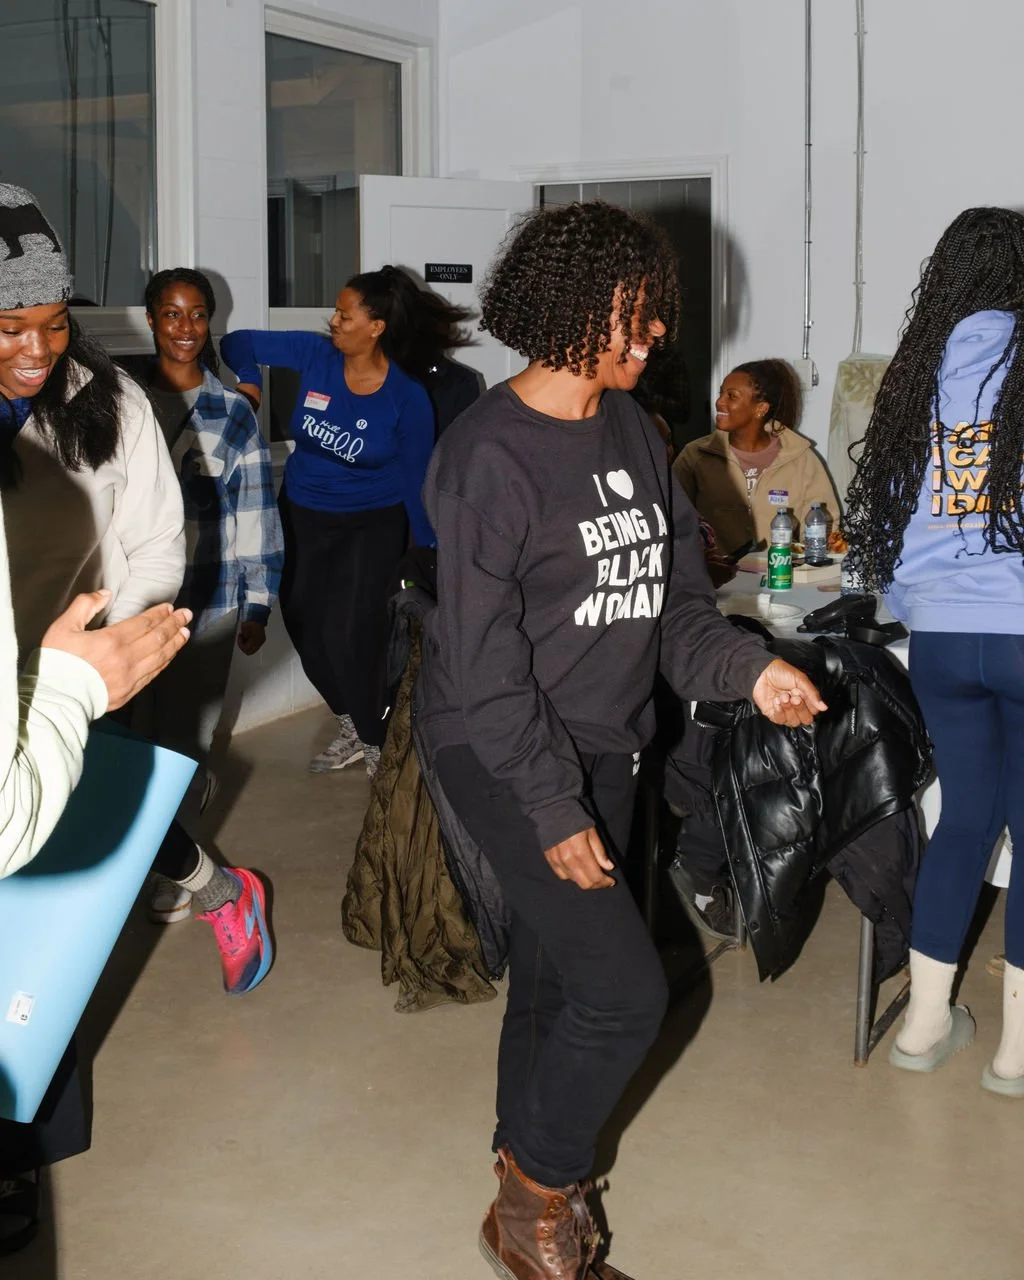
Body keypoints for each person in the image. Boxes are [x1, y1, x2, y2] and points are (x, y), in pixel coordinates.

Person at [415, 200, 826, 1279]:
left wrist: (754, 668)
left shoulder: (636, 433)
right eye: (630, 320)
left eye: (655, 319)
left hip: (609, 739)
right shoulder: (487, 456)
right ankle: (539, 1200)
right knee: (624, 990)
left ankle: (521, 1173)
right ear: (560, 310)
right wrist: (551, 806)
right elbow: (486, 662)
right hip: (502, 748)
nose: (651, 340)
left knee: (558, 975)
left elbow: (676, 611)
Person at [0, 183, 192, 1255]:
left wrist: (108, 652)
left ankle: (28, 1147)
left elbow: (159, 538)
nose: (36, 349)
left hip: (81, 690)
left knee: (47, 933)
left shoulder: (107, 400)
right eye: (10, 327)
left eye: (52, 321)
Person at [844, 206, 1024, 1095]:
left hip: (945, 636)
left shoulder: (920, 374)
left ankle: (921, 1025)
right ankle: (1016, 1056)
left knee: (962, 823)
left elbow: (895, 515)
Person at [220, 266, 473, 776]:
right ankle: (353, 722)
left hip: (369, 524)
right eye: (336, 311)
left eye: (344, 313)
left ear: (376, 326)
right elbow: (235, 343)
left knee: (352, 634)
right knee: (305, 626)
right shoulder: (316, 355)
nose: (333, 320)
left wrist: (429, 553)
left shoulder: (406, 398)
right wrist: (249, 384)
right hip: (303, 514)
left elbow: (413, 480)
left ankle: (377, 737)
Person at [135, 267, 281, 993]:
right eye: (170, 314)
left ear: (210, 321)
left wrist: (257, 603)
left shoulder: (232, 410)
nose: (185, 328)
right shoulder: (123, 405)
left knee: (182, 744)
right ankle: (176, 833)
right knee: (138, 742)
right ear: (152, 320)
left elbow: (254, 509)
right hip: (137, 607)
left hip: (212, 603)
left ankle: (180, 860)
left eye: (197, 315)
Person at [673, 357, 840, 551]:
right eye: (721, 394)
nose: (719, 402)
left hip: (779, 576)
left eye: (731, 396)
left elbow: (825, 525)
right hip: (714, 578)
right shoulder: (695, 456)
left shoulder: (801, 459)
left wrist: (801, 563)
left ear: (761, 409)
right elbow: (670, 518)